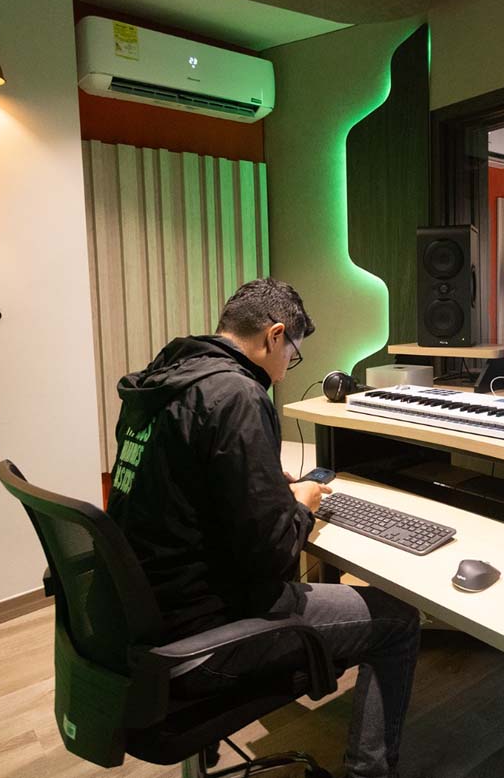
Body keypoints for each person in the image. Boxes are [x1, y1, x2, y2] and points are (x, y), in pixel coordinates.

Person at [106, 277, 420, 778]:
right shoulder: (238, 395)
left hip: (142, 617)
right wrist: (301, 504)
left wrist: (264, 488)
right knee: (398, 620)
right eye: (291, 353)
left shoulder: (162, 383)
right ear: (274, 336)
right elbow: (272, 558)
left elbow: (183, 490)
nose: (287, 368)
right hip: (204, 631)